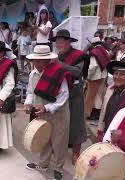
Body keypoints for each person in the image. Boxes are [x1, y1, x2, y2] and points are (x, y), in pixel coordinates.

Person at [24, 45, 71, 180]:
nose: (36, 63)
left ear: (47, 61)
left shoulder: (57, 73)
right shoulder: (33, 74)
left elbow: (64, 96)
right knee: (44, 137)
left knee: (59, 140)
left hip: (58, 111)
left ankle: (58, 168)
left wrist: (48, 107)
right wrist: (28, 103)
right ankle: (43, 163)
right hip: (42, 111)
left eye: (40, 60)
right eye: (35, 60)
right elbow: (30, 92)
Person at [50, 29, 89, 165]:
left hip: (75, 93)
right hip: (59, 92)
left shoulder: (78, 55)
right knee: (59, 122)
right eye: (57, 41)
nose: (59, 43)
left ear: (69, 41)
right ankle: (57, 148)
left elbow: (78, 72)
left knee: (76, 123)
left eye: (62, 41)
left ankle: (76, 153)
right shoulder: (55, 55)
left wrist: (59, 64)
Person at [96, 58, 125, 142]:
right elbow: (103, 111)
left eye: (122, 74)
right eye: (115, 73)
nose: (117, 77)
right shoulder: (110, 89)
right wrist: (100, 130)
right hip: (107, 130)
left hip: (120, 137)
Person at [85, 37, 110, 120]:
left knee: (92, 96)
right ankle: (98, 113)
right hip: (103, 75)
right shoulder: (105, 50)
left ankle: (92, 113)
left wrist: (88, 76)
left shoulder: (94, 52)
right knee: (99, 95)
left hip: (95, 77)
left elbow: (93, 66)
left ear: (92, 44)